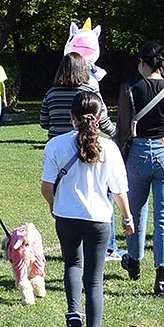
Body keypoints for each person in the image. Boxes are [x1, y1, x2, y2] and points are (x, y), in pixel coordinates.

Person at [41, 91, 135, 327]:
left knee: (72, 265)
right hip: (98, 219)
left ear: (71, 117)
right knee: (94, 281)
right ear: (100, 117)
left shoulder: (56, 145)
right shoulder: (110, 149)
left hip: (66, 216)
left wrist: (53, 205)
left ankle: (73, 318)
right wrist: (127, 217)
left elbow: (47, 187)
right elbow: (119, 190)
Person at [115, 42, 164, 297]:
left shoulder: (130, 89)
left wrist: (120, 155)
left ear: (143, 63)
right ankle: (161, 278)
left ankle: (134, 261)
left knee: (134, 212)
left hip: (138, 152)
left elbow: (123, 128)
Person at [39, 52, 119, 260]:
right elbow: (104, 122)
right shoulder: (90, 91)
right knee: (101, 193)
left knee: (63, 199)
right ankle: (105, 246)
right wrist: (116, 134)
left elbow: (43, 121)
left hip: (58, 154)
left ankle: (71, 245)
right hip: (89, 149)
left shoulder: (52, 93)